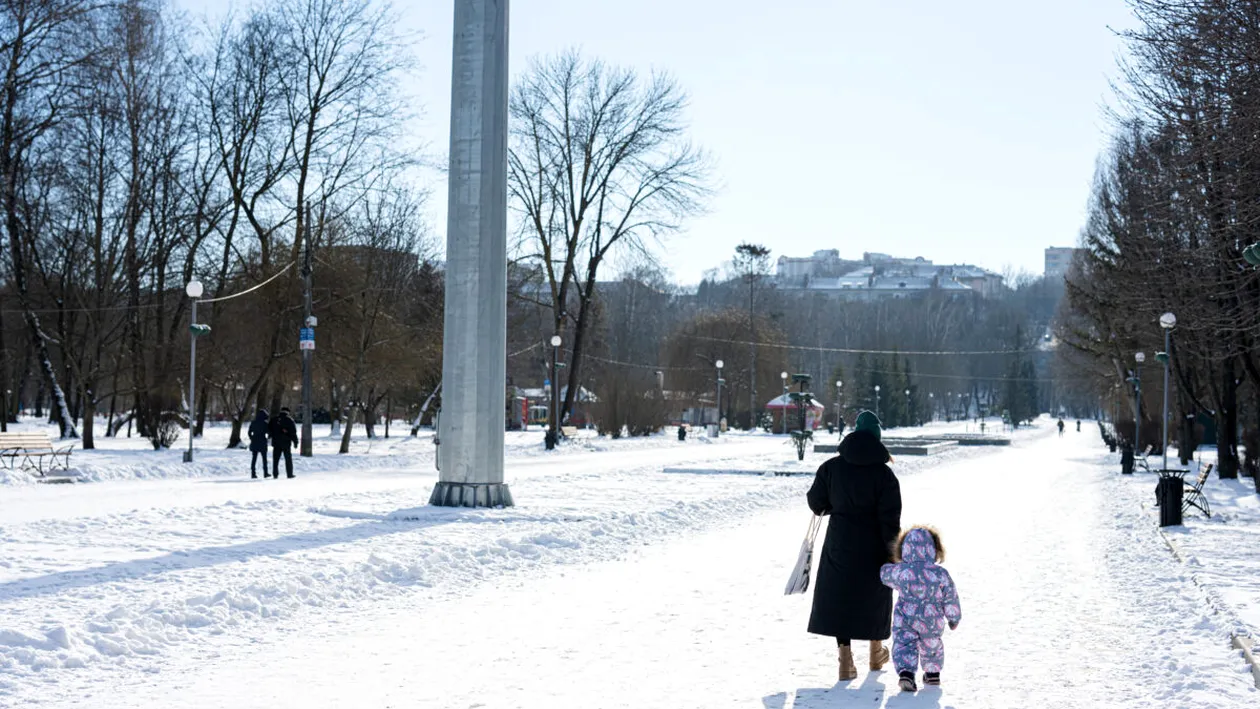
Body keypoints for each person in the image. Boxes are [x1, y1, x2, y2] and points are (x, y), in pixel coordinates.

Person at [807, 410, 902, 681]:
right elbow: (890, 519)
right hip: (874, 547)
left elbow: (816, 503)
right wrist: (893, 552)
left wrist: (838, 504)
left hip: (839, 543)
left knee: (841, 598)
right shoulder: (885, 475)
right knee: (874, 597)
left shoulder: (831, 468)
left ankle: (845, 662)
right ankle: (875, 653)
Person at [880, 526, 962, 693]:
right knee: (931, 645)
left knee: (904, 644)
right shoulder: (940, 573)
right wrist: (953, 618)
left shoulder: (901, 571)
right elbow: (950, 596)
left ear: (904, 549)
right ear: (934, 549)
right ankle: (932, 674)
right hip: (932, 619)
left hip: (906, 619)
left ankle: (906, 673)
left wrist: (884, 566)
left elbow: (885, 574)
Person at [269, 407, 298, 479]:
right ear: (288, 412)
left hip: (276, 442)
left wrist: (272, 435)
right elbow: (293, 432)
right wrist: (295, 442)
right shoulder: (289, 420)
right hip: (286, 442)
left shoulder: (274, 419)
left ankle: (275, 474)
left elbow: (269, 429)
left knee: (275, 459)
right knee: (288, 459)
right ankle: (289, 474)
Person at [248, 408, 270, 479]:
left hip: (255, 441)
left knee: (254, 458)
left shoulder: (253, 422)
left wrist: (252, 438)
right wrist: (267, 438)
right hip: (262, 442)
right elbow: (269, 432)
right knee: (264, 459)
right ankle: (265, 473)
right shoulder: (265, 423)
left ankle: (253, 473)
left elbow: (249, 432)